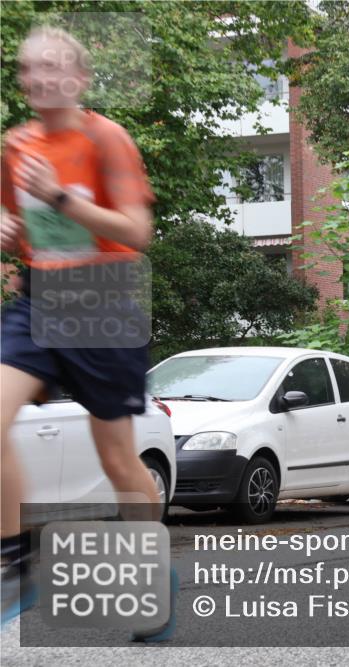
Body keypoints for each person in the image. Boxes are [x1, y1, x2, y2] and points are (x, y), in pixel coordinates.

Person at [0, 27, 174, 640]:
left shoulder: (106, 139)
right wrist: (8, 236)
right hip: (40, 299)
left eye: (53, 68)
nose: (40, 79)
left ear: (79, 79)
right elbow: (22, 228)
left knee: (120, 460)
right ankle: (13, 565)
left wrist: (62, 198)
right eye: (29, 69)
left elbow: (135, 232)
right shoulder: (14, 145)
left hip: (106, 303)